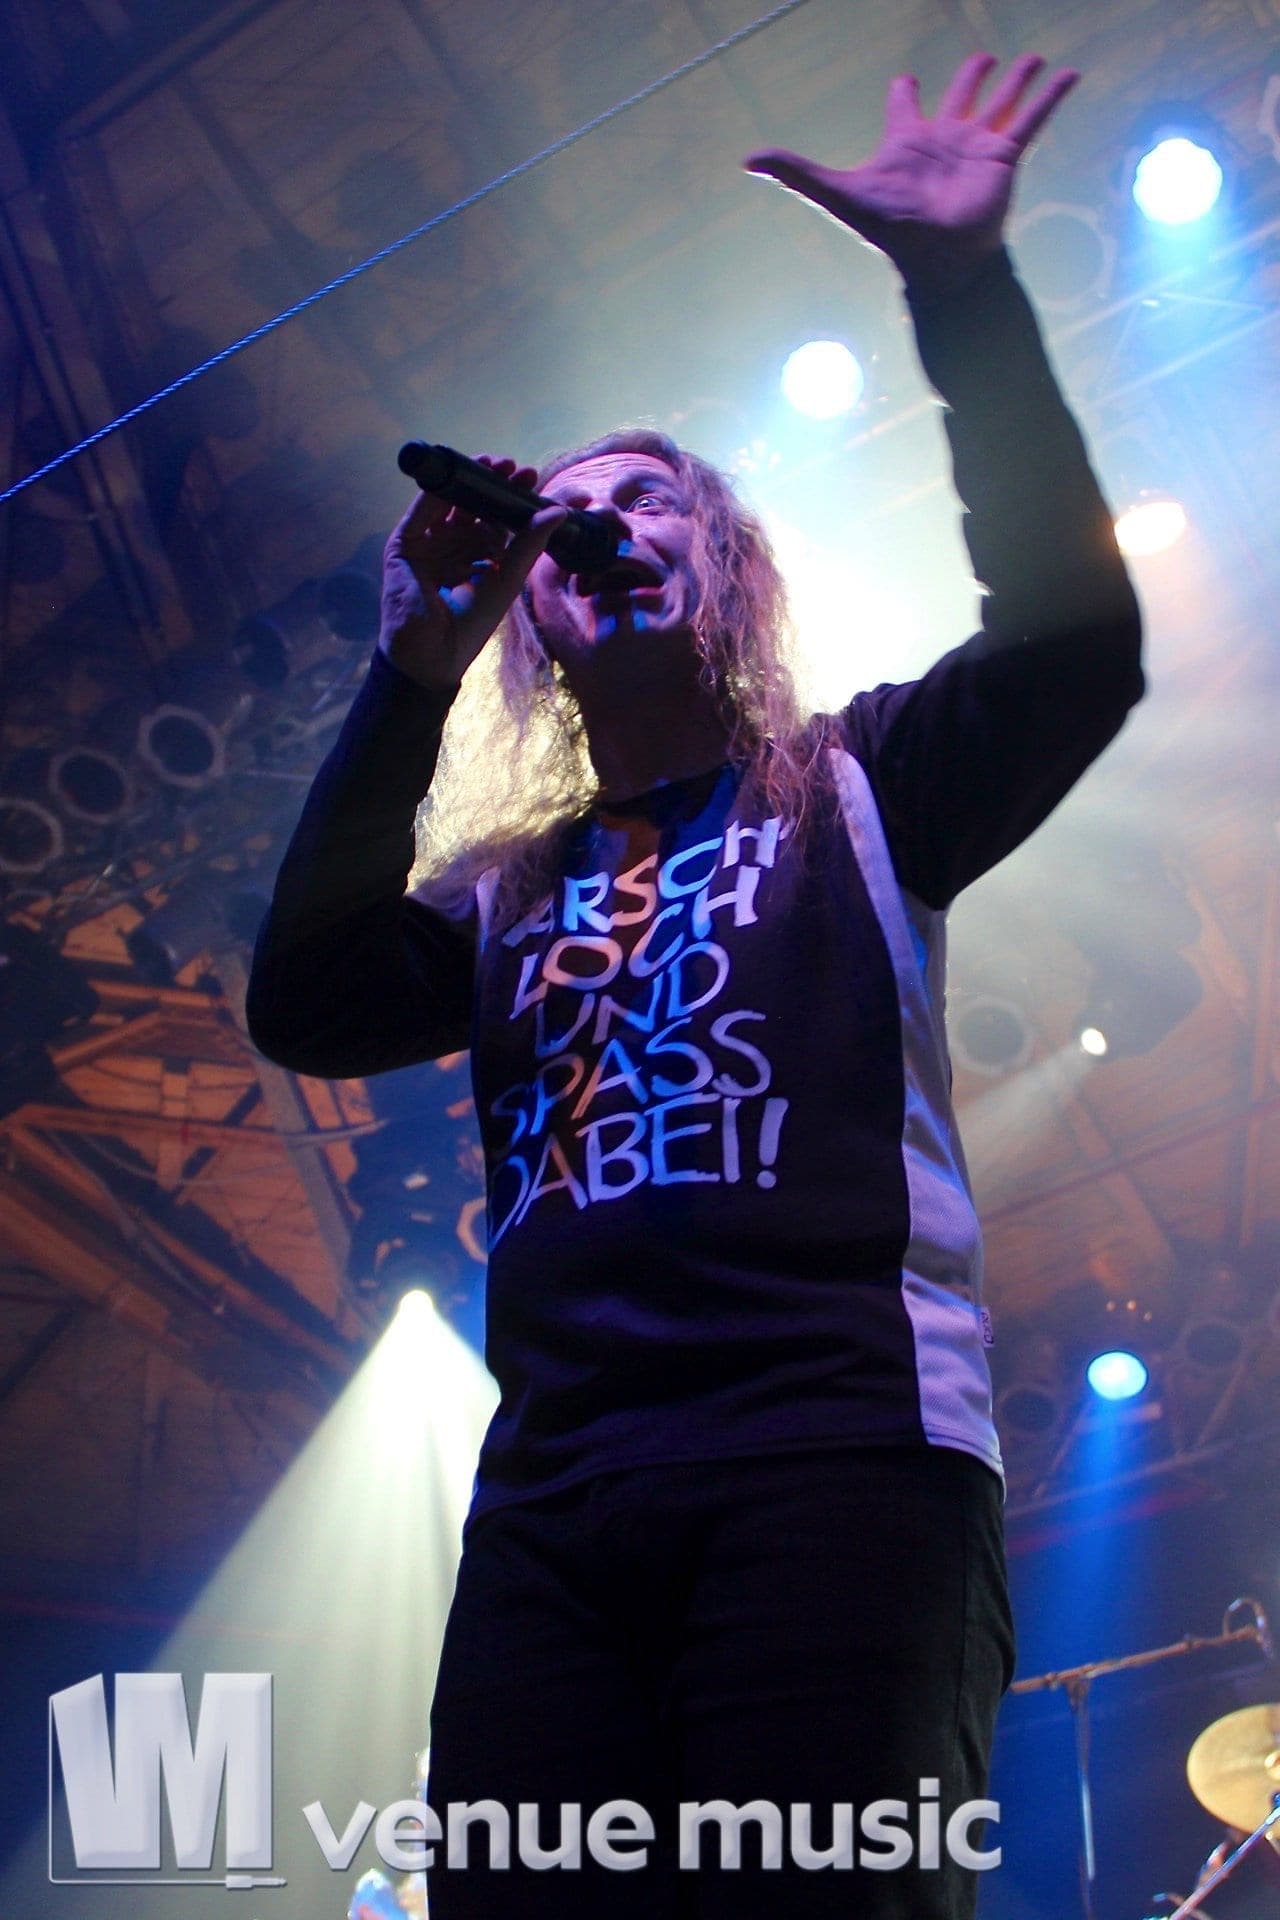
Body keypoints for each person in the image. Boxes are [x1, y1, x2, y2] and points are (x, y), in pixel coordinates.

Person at [247, 51, 1144, 1918]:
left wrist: (960, 288)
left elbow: (1075, 641)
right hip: (555, 1508)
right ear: (535, 618)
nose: (603, 527)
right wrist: (408, 672)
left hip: (841, 1459)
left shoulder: (863, 784)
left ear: (720, 565)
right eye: (569, 518)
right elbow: (308, 1001)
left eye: (648, 500)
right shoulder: (507, 893)